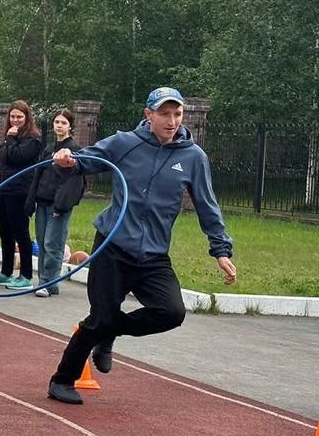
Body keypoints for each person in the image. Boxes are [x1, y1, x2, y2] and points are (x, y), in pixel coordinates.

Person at [45, 87, 236, 405]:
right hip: (112, 245)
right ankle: (62, 380)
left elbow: (207, 205)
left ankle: (108, 332)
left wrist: (221, 250)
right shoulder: (125, 143)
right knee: (101, 316)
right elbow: (85, 161)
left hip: (153, 255)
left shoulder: (193, 157)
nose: (172, 120)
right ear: (149, 115)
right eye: (164, 113)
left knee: (172, 312)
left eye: (177, 114)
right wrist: (66, 161)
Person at [0, 100, 43, 292]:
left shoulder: (32, 139)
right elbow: (2, 159)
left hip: (19, 191)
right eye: (12, 117)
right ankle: (6, 271)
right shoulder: (9, 136)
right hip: (2, 189)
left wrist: (11, 139)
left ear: (27, 118)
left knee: (21, 234)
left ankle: (25, 275)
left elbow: (18, 157)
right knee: (5, 233)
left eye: (19, 117)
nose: (15, 120)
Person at [25, 108, 84, 297]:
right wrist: (30, 199)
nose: (59, 126)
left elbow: (72, 182)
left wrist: (61, 205)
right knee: (42, 241)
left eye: (63, 123)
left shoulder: (73, 149)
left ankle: (47, 281)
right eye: (57, 122)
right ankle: (47, 281)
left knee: (53, 243)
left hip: (58, 204)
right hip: (42, 201)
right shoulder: (49, 149)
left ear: (70, 126)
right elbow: (38, 175)